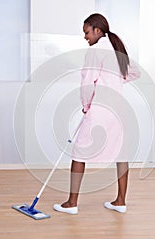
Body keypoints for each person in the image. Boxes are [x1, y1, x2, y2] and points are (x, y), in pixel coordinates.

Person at [53, 13, 140, 214]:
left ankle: (72, 203)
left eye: (86, 32)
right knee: (121, 153)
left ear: (97, 30)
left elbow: (86, 84)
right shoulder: (115, 47)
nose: (85, 37)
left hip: (100, 109)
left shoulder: (95, 51)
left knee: (79, 153)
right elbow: (135, 72)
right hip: (118, 108)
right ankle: (120, 202)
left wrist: (86, 106)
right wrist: (114, 82)